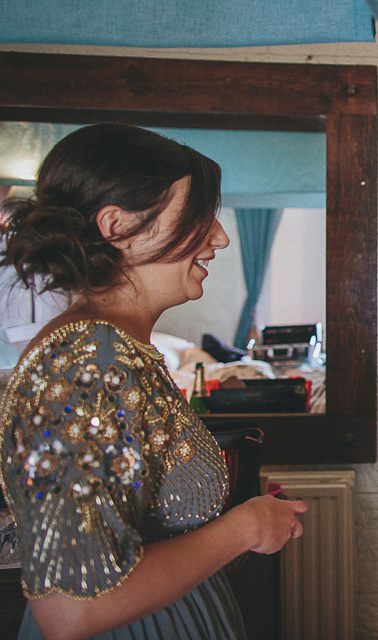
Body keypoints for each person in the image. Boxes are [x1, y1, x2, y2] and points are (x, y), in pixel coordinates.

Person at [0, 123, 307, 640]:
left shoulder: (117, 348)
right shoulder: (89, 363)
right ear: (117, 226)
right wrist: (243, 528)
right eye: (196, 218)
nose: (221, 237)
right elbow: (70, 609)